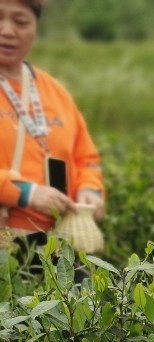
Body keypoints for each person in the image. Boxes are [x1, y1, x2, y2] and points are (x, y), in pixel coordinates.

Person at [0, 0, 105, 257]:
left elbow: (87, 158)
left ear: (35, 28)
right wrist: (26, 193)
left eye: (21, 22)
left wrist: (89, 190)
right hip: (6, 241)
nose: (7, 31)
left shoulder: (55, 92)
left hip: (59, 243)